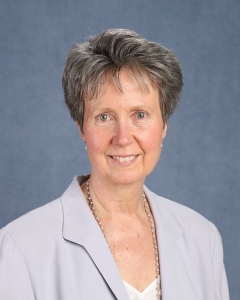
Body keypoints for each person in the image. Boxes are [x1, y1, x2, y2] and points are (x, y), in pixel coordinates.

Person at [0, 29, 229, 300]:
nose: (123, 138)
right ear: (81, 127)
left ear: (164, 124)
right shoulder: (20, 246)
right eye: (104, 117)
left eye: (140, 114)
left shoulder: (202, 239)